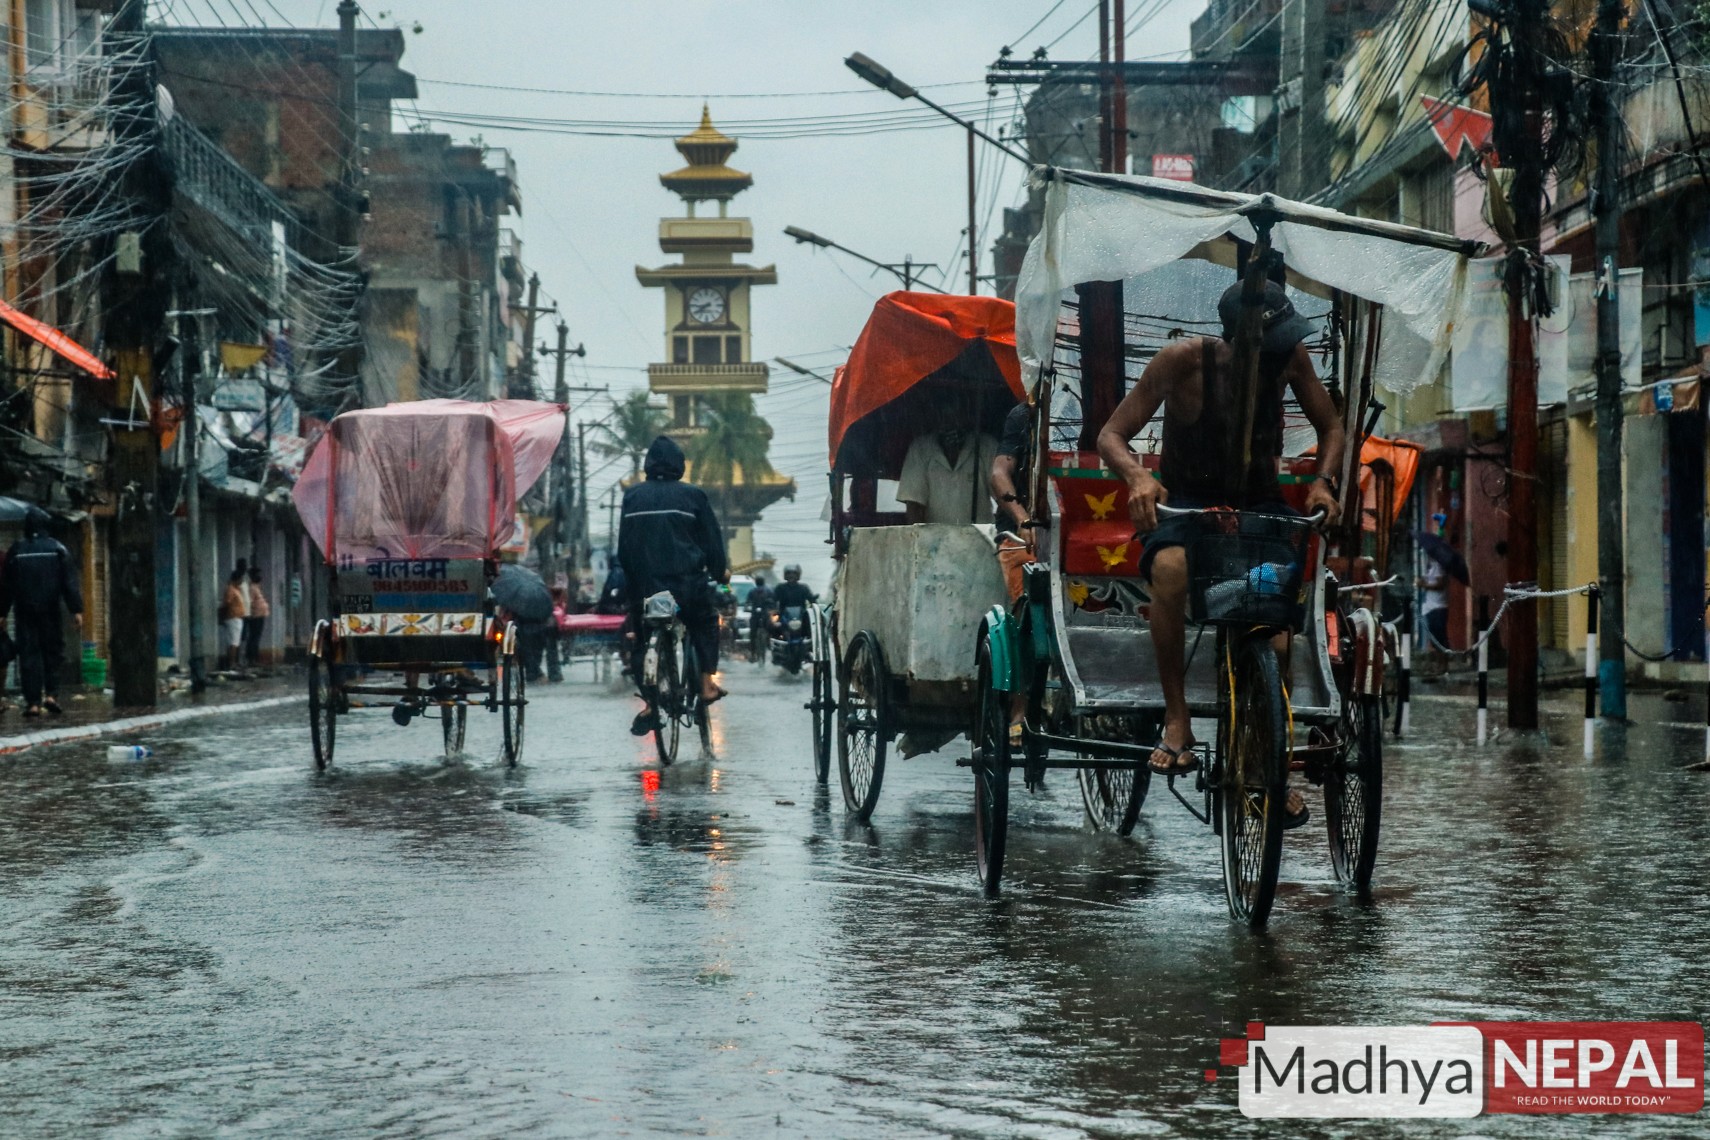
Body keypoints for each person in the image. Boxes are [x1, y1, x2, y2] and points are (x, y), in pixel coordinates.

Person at [1097, 279, 1343, 828]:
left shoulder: (1289, 359)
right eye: (1273, 339)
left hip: (1259, 502)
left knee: (1275, 631)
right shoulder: (1182, 362)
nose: (1284, 349)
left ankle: (1260, 762)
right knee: (1169, 567)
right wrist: (1138, 476)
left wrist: (1323, 481)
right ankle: (1178, 719)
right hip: (1188, 503)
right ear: (1240, 337)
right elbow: (1111, 434)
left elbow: (1330, 425)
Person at [618, 435, 729, 736]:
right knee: (705, 621)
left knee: (641, 639)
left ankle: (651, 704)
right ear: (680, 465)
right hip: (687, 587)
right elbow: (713, 545)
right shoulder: (693, 496)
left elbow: (624, 551)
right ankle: (706, 684)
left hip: (647, 590)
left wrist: (633, 586)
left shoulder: (632, 497)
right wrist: (719, 573)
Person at [0, 507, 82, 716]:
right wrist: (76, 610)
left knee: (28, 655)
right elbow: (69, 583)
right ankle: (51, 695)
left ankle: (33, 703)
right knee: (52, 652)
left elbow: (7, 585)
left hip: (24, 611)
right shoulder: (57, 549)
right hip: (50, 610)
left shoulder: (16, 550)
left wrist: (2, 612)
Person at [896, 392, 1000, 525]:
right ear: (936, 418)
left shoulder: (986, 445)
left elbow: (1002, 497)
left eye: (955, 415)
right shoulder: (920, 449)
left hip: (979, 538)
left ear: (967, 417)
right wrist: (922, 540)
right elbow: (913, 505)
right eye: (945, 416)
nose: (951, 422)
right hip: (936, 540)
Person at [989, 399, 1033, 603]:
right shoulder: (1024, 416)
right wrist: (1023, 520)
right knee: (1032, 611)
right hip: (1022, 538)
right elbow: (999, 473)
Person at [220, 569, 249, 672]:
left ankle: (232, 663)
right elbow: (226, 603)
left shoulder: (235, 589)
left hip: (236, 618)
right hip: (233, 618)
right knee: (234, 642)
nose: (241, 581)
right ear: (236, 579)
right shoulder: (231, 589)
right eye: (240, 579)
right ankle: (232, 664)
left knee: (233, 642)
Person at [244, 566, 269, 668]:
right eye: (257, 575)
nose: (260, 577)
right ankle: (251, 659)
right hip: (255, 617)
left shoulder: (256, 587)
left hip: (259, 616)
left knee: (256, 638)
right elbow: (249, 603)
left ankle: (254, 658)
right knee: (254, 638)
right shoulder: (252, 588)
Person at [745, 573, 775, 660]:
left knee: (752, 634)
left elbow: (748, 602)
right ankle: (769, 645)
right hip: (765, 614)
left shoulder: (752, 591)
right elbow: (773, 602)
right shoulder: (769, 590)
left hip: (755, 615)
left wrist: (747, 608)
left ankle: (753, 653)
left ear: (756, 582)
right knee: (770, 630)